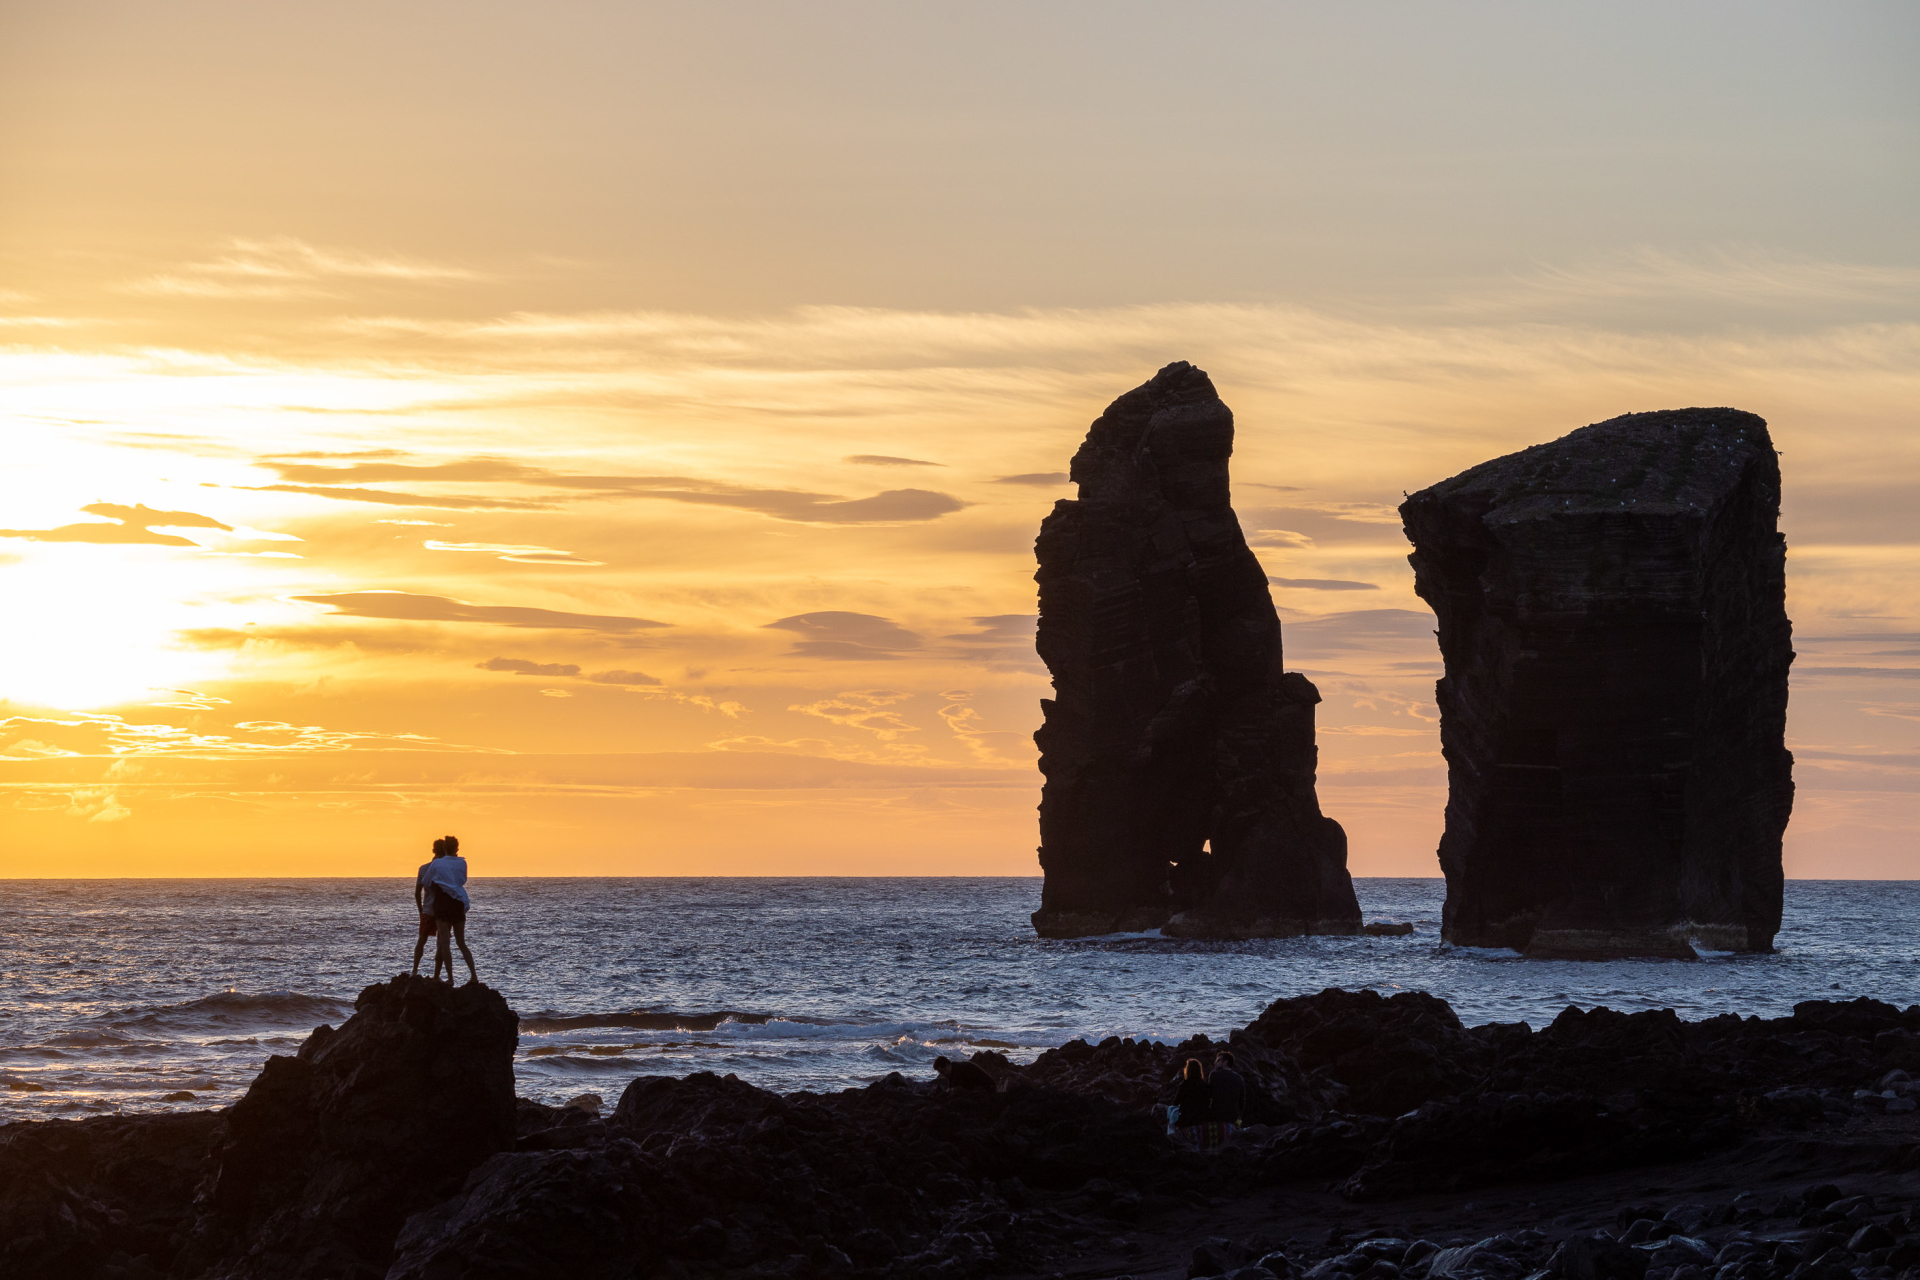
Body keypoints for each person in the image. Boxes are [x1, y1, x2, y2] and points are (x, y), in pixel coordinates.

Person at [418, 834, 478, 984]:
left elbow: (426, 881)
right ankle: (473, 976)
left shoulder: (437, 864)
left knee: (445, 942)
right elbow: (463, 880)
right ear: (457, 848)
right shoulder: (462, 863)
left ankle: (450, 978)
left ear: (445, 848)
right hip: (458, 902)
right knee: (461, 942)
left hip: (442, 902)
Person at [411, 838, 450, 980]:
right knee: (441, 943)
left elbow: (417, 893)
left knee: (421, 940)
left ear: (433, 850)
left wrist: (420, 910)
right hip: (443, 910)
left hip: (427, 909)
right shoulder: (446, 869)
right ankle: (436, 976)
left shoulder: (424, 868)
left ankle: (414, 971)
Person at [1171, 1058, 1210, 1138]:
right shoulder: (1205, 1085)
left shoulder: (1185, 1085)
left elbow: (1175, 1102)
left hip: (1186, 1119)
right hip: (1202, 1118)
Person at [1209, 1050, 1246, 1127]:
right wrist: (1239, 1116)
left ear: (1225, 1062)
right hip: (1233, 1117)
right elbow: (1242, 1101)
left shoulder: (1214, 1075)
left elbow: (1208, 1095)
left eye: (1218, 1060)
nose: (1215, 1063)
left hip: (1216, 1116)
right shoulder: (1239, 1078)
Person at [932, 1055, 997, 1092]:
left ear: (947, 1066)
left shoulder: (959, 1069)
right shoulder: (953, 1070)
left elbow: (958, 1088)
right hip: (982, 1087)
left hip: (988, 1088)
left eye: (942, 1072)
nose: (942, 1074)